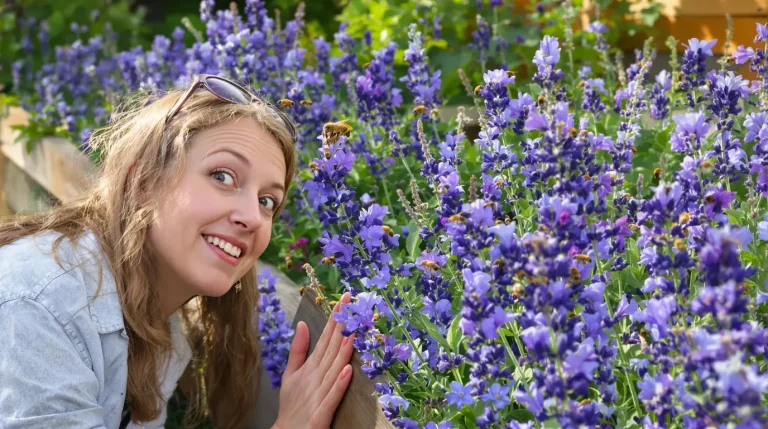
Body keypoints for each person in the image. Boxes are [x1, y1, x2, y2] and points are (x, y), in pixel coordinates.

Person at [0, 75, 355, 429]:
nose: (252, 217)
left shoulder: (158, 322)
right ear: (143, 183)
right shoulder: (39, 307)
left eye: (267, 201)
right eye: (223, 176)